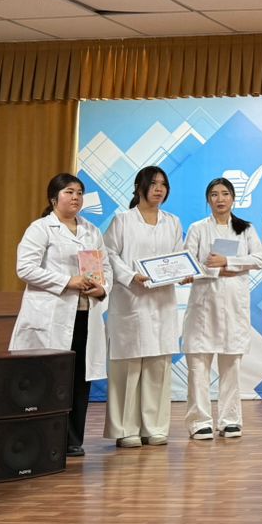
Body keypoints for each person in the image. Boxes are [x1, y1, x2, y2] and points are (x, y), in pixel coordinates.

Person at [11, 174, 111, 458]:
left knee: (79, 378)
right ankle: (46, 438)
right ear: (54, 198)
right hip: (52, 316)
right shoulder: (41, 228)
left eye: (79, 192)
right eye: (69, 192)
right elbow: (25, 268)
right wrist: (68, 281)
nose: (76, 197)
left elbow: (105, 269)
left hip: (85, 314)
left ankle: (73, 439)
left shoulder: (91, 230)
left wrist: (102, 289)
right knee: (52, 377)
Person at [102, 166, 182, 449]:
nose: (159, 189)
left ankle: (155, 427)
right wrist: (130, 276)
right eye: (153, 184)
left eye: (163, 184)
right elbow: (108, 254)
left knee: (158, 366)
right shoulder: (123, 220)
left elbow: (178, 255)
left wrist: (183, 272)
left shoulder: (172, 221)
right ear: (139, 187)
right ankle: (126, 429)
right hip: (131, 300)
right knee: (128, 367)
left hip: (162, 301)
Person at [183, 177, 262, 440]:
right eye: (215, 194)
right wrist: (216, 271)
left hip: (233, 306)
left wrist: (228, 262)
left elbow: (259, 259)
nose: (220, 199)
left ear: (233, 198)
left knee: (231, 366)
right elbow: (187, 263)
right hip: (204, 306)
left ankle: (230, 419)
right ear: (208, 199)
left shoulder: (246, 228)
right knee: (199, 366)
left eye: (225, 193)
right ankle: (199, 421)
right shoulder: (197, 228)